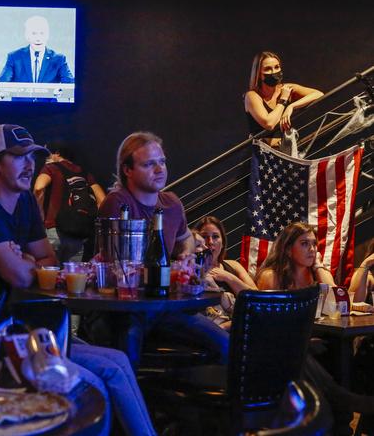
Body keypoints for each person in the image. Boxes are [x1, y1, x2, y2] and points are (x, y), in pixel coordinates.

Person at [0, 124, 157, 436]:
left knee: (117, 360)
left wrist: (26, 259)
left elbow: (48, 261)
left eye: (32, 158)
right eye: (18, 157)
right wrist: (29, 262)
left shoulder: (24, 201)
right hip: (4, 337)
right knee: (104, 377)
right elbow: (22, 275)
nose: (29, 165)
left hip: (36, 328)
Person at [94, 131, 228, 368]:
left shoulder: (172, 203)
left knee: (226, 344)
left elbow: (185, 238)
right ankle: (134, 404)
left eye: (162, 162)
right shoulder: (117, 202)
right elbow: (118, 268)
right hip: (125, 309)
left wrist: (186, 255)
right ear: (128, 170)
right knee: (128, 353)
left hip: (164, 307)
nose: (159, 170)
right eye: (148, 164)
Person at [255, 223, 374, 430]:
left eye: (313, 244)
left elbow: (339, 301)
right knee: (311, 352)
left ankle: (345, 417)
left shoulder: (314, 276)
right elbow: (269, 324)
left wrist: (318, 267)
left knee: (339, 349)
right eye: (304, 244)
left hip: (314, 339)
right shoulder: (272, 277)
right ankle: (348, 403)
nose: (311, 249)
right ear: (287, 249)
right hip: (281, 346)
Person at [34, 142, 105, 262]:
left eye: (48, 154)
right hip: (78, 235)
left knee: (50, 278)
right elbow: (103, 200)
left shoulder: (51, 168)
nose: (46, 159)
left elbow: (38, 188)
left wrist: (38, 216)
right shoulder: (84, 173)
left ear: (56, 153)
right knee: (74, 278)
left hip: (54, 231)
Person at [244, 51, 324, 149]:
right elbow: (269, 123)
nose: (274, 72)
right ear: (258, 74)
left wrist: (291, 106)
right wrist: (283, 100)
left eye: (277, 67)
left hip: (284, 152)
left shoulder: (286, 89)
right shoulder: (252, 96)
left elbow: (318, 94)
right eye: (268, 69)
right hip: (263, 155)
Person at [194, 216, 257, 330]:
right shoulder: (192, 271)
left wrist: (229, 278)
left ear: (223, 242)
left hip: (242, 328)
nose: (210, 242)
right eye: (204, 237)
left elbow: (257, 297)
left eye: (215, 236)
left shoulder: (233, 265)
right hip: (212, 329)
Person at [0, 16, 74, 84]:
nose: (38, 38)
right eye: (34, 33)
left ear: (47, 35)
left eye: (42, 33)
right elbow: (2, 83)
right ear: (27, 36)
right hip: (21, 101)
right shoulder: (14, 57)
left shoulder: (59, 59)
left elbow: (70, 85)